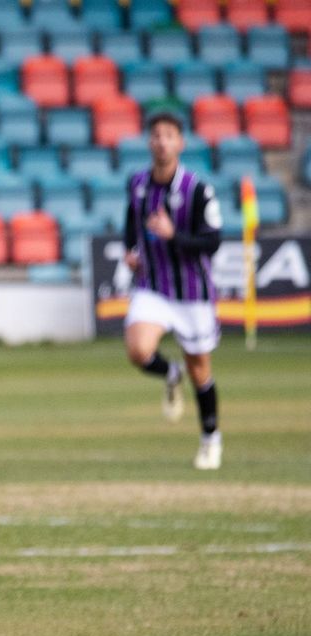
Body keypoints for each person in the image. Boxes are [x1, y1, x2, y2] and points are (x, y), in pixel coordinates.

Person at [122, 111, 224, 471]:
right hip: (153, 287)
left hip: (192, 292)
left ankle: (211, 438)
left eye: (169, 135)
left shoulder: (198, 190)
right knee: (138, 350)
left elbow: (212, 242)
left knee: (201, 370)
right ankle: (169, 373)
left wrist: (173, 236)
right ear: (149, 142)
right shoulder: (137, 184)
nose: (161, 141)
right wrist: (131, 252)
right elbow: (131, 224)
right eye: (156, 135)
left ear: (180, 143)